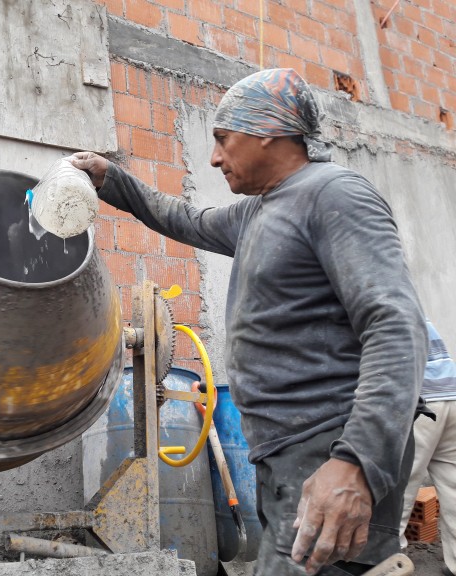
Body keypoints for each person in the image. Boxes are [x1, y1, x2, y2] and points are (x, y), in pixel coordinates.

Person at [68, 68, 428, 575]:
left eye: (223, 139)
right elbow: (185, 219)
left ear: (267, 133)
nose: (215, 157)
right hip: (287, 452)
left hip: (330, 446)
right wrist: (113, 179)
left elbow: (395, 327)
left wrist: (356, 463)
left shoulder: (334, 195)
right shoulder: (257, 211)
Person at [398, 321, 456, 576]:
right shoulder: (421, 317)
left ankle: (392, 559)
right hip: (452, 395)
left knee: (400, 487)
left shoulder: (380, 312)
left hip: (422, 402)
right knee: (454, 488)